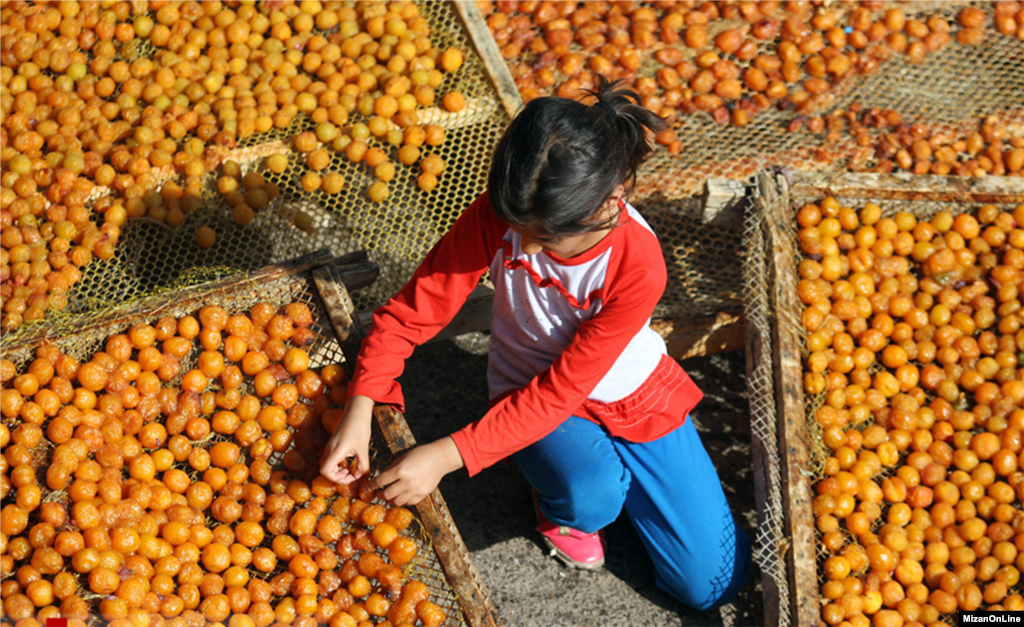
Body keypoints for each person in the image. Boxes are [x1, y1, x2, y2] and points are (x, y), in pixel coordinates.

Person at [320, 75, 751, 611]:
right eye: (516, 228)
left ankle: (605, 484)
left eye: (543, 238)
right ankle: (567, 504)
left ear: (606, 206)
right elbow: (411, 313)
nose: (520, 245)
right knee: (591, 495)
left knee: (709, 586)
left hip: (626, 396)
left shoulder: (638, 266)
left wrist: (446, 454)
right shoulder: (504, 214)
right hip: (530, 386)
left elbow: (563, 390)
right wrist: (362, 405)